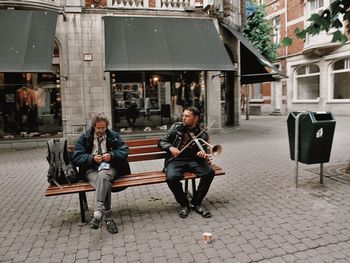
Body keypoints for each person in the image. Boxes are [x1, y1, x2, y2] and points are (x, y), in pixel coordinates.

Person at [72, 113, 130, 234]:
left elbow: (124, 151)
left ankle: (98, 213)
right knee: (104, 182)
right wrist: (91, 158)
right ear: (94, 126)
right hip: (91, 170)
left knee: (103, 176)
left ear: (107, 126)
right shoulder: (85, 137)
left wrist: (112, 155)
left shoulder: (113, 136)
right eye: (98, 128)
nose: (101, 130)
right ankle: (108, 219)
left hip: (110, 167)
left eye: (103, 128)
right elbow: (76, 157)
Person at [158, 106, 215, 218]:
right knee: (171, 178)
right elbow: (162, 141)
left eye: (187, 116)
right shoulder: (176, 127)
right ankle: (184, 204)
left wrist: (202, 154)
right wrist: (170, 148)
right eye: (183, 115)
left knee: (209, 172)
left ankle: (196, 202)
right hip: (176, 160)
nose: (183, 118)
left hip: (194, 161)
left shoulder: (202, 133)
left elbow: (204, 151)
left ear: (196, 118)